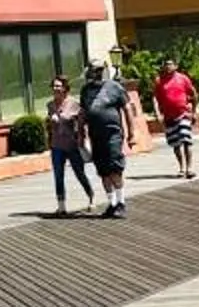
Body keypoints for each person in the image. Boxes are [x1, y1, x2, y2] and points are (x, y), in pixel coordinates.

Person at [79, 58, 137, 217]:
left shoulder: (115, 87)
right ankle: (111, 203)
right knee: (103, 170)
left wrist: (132, 134)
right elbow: (83, 113)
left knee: (114, 168)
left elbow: (127, 109)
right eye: (93, 70)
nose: (95, 73)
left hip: (112, 135)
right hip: (95, 136)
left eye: (98, 70)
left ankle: (121, 202)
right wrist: (80, 133)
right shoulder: (86, 90)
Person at [44, 74, 94, 215]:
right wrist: (49, 122)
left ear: (65, 88)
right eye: (54, 86)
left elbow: (81, 123)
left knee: (79, 173)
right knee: (58, 175)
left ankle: (90, 196)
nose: (55, 88)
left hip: (72, 145)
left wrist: (81, 138)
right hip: (57, 145)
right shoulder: (50, 105)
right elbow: (50, 126)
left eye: (58, 86)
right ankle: (61, 206)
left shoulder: (73, 104)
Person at [155, 55, 199, 179]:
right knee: (175, 144)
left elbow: (194, 94)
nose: (168, 67)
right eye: (166, 64)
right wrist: (158, 113)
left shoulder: (183, 78)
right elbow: (156, 98)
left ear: (176, 66)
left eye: (170, 64)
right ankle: (181, 167)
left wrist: (194, 112)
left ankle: (189, 168)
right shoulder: (159, 81)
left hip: (183, 114)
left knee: (186, 139)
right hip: (169, 117)